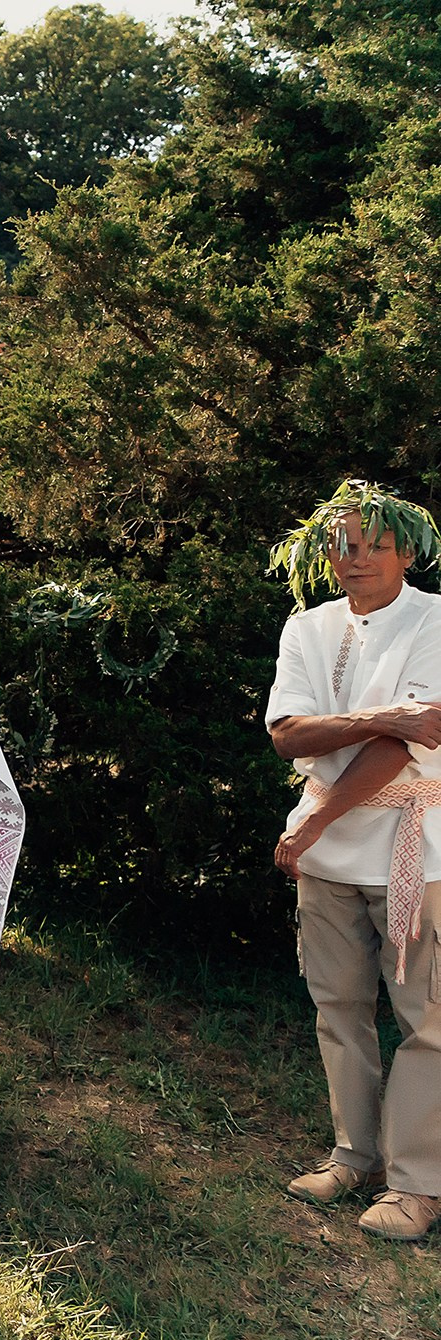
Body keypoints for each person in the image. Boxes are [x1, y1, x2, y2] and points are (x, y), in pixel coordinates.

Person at [265, 480, 441, 1242]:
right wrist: (383, 714)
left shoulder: (435, 622)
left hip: (415, 849)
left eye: (375, 544)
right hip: (327, 854)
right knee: (337, 1006)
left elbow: (404, 746)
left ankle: (418, 1185)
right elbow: (288, 734)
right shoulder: (307, 627)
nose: (357, 557)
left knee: (427, 1021)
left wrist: (315, 820)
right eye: (344, 544)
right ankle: (355, 1156)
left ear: (407, 552)